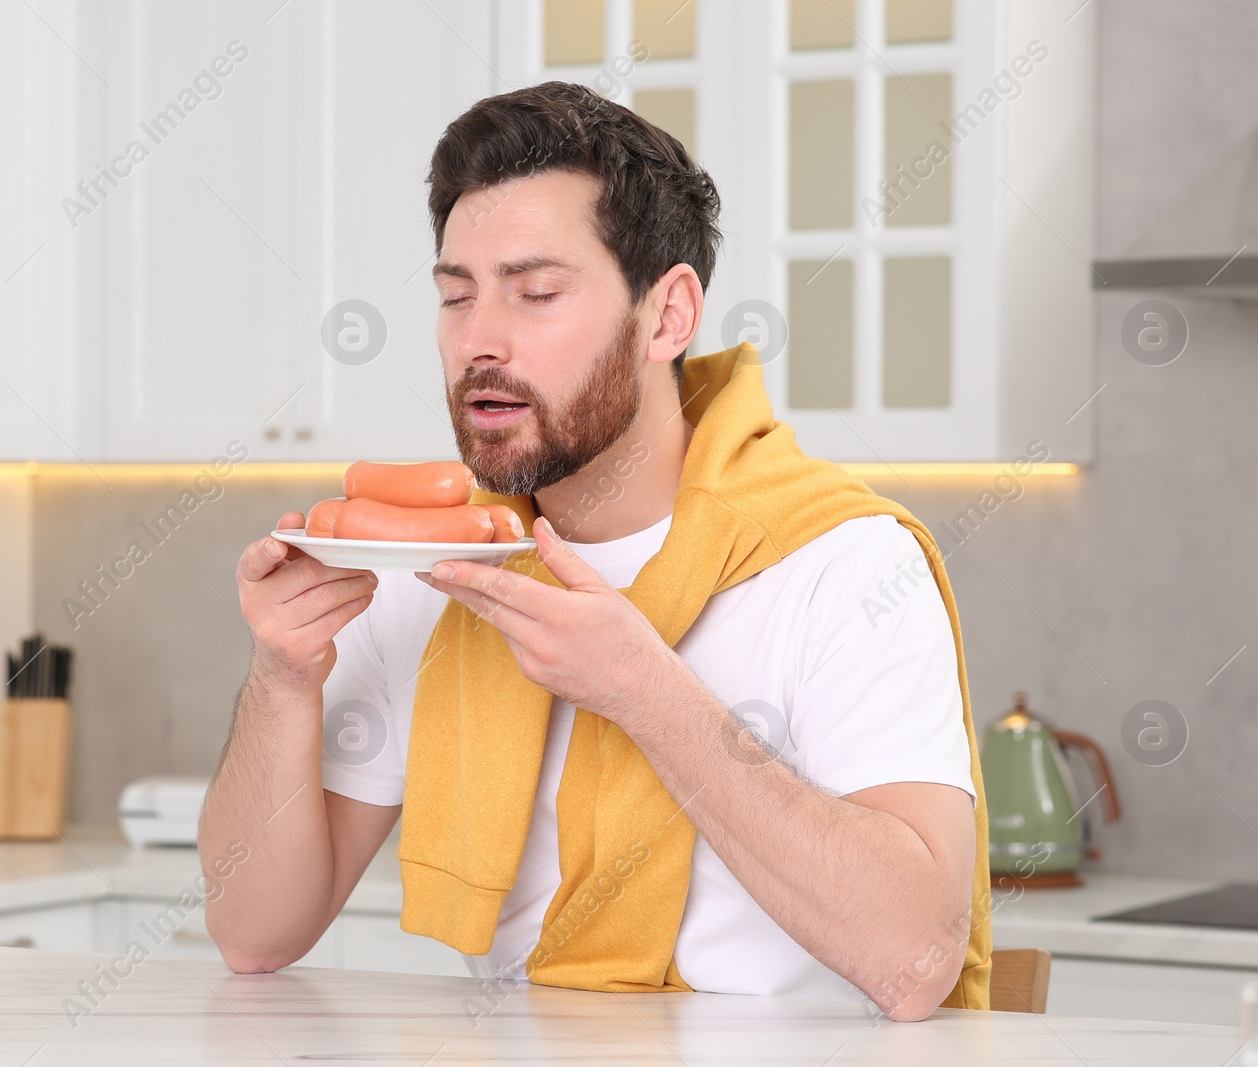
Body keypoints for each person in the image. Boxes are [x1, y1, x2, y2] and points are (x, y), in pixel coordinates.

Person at [199, 81, 990, 1022]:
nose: (478, 342)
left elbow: (915, 962)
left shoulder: (845, 564)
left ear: (667, 316)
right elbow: (255, 934)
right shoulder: (437, 570)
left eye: (535, 293)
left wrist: (643, 691)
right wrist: (283, 679)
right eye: (457, 297)